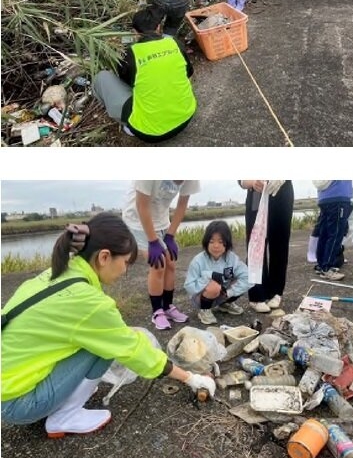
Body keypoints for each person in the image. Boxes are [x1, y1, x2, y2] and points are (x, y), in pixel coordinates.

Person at [1, 215, 216, 438]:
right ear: (104, 257)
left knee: (102, 339)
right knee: (103, 347)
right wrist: (192, 378)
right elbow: (132, 349)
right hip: (17, 402)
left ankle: (65, 396)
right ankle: (64, 417)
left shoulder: (58, 273)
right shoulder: (88, 302)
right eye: (125, 263)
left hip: (10, 382)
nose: (125, 271)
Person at [92, 6, 196, 142]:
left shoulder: (131, 53)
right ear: (158, 27)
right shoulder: (174, 43)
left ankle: (129, 125)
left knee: (102, 77)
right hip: (186, 116)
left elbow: (126, 82)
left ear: (135, 32)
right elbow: (189, 73)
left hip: (149, 132)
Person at [122, 180, 200, 330]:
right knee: (158, 264)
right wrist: (152, 241)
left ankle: (167, 306)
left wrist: (170, 235)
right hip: (137, 219)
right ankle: (157, 311)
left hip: (162, 220)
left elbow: (182, 204)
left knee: (170, 261)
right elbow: (141, 205)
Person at [238, 180, 294, 314]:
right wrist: (252, 182)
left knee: (280, 243)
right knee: (256, 245)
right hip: (257, 194)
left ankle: (276, 291)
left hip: (281, 192)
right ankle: (256, 295)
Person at [184, 220, 252, 325]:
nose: (216, 246)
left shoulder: (232, 258)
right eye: (211, 242)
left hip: (223, 295)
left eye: (220, 242)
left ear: (227, 243)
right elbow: (189, 286)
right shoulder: (198, 261)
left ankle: (225, 304)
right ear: (206, 242)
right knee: (214, 286)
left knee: (239, 280)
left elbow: (248, 277)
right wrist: (208, 276)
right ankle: (204, 310)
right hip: (201, 297)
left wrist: (230, 292)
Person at [312, 181, 353, 281]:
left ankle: (321, 265)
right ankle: (327, 268)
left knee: (324, 234)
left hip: (324, 198)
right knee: (336, 234)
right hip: (338, 197)